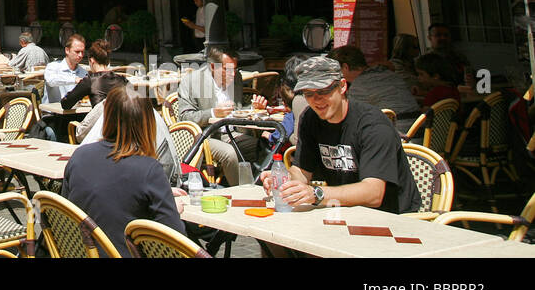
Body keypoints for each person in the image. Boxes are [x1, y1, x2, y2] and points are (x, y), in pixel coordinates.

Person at [266, 55, 421, 214]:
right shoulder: (310, 118)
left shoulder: (372, 125)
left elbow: (374, 194)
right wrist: (282, 179)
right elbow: (302, 172)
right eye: (308, 93)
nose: (317, 100)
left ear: (342, 86)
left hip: (393, 218)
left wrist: (317, 193)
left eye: (323, 91)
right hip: (345, 212)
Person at [64, 85, 192, 257]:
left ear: (107, 118)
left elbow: (70, 211)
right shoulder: (149, 169)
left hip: (79, 252)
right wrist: (172, 208)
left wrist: (163, 195)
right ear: (148, 123)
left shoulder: (79, 156)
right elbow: (176, 242)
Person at [175, 47, 268, 185]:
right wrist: (212, 113)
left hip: (233, 133)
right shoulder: (192, 82)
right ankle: (239, 192)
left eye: (234, 69)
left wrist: (254, 108)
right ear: (213, 66)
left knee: (264, 147)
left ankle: (257, 184)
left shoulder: (236, 78)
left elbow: (238, 110)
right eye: (228, 69)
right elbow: (184, 117)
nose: (232, 73)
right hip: (206, 136)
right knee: (229, 153)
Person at [332, 45, 419, 133]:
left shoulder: (360, 85)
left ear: (345, 67)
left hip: (398, 136)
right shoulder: (389, 74)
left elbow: (348, 119)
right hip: (420, 132)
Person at [61, 40, 121, 112]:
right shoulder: (122, 79)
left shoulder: (90, 81)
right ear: (107, 61)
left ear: (91, 61)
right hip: (121, 122)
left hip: (100, 122)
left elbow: (66, 104)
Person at [44, 33, 89, 103]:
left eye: (82, 52)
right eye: (77, 52)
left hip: (76, 111)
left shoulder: (84, 72)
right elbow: (51, 81)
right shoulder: (53, 67)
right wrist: (74, 80)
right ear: (67, 50)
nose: (80, 55)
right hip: (52, 112)